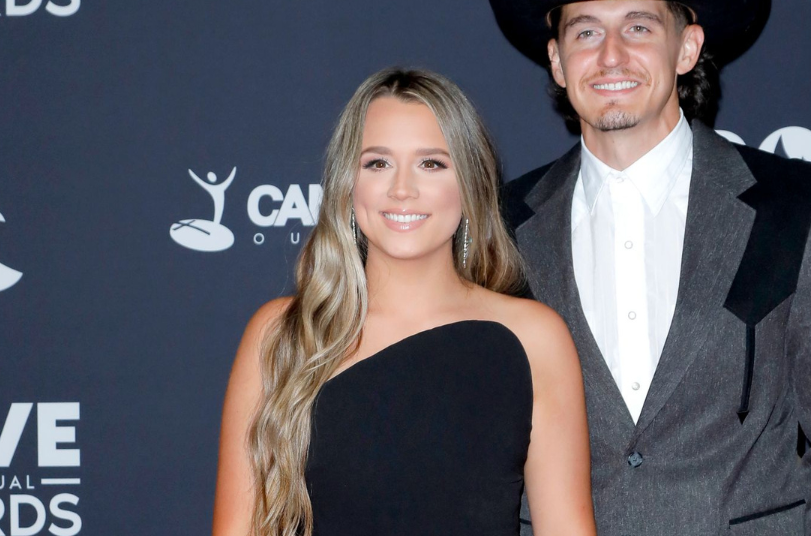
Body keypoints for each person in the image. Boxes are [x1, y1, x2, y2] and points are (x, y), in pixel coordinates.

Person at [488, 0, 811, 534]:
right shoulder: (500, 227)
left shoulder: (793, 207)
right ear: (558, 61)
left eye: (639, 27)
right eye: (586, 31)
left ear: (687, 47)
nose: (611, 56)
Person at [212, 68, 596, 536]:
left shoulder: (533, 338)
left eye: (431, 164)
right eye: (378, 163)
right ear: (347, 184)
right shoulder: (282, 334)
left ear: (469, 182)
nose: (401, 189)